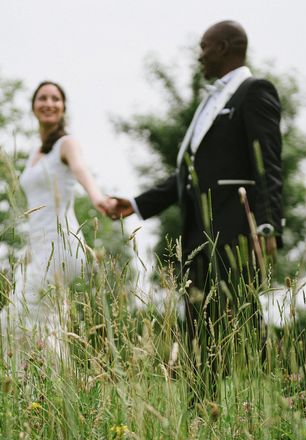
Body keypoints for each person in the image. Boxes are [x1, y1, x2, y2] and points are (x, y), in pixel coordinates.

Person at [108, 21, 283, 389]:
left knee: (245, 321)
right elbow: (190, 174)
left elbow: (268, 164)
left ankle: (304, 404)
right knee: (200, 326)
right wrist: (138, 204)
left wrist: (267, 226)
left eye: (204, 46)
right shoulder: (210, 101)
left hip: (235, 232)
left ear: (224, 47)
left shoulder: (254, 92)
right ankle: (202, 411)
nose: (199, 54)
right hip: (200, 235)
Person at [0, 81, 113, 372]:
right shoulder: (36, 151)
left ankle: (42, 390)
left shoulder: (66, 144)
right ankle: (44, 391)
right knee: (40, 321)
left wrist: (97, 198)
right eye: (42, 98)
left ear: (63, 107)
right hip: (38, 246)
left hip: (61, 244)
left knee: (20, 318)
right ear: (33, 106)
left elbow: (82, 170)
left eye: (55, 98)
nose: (49, 103)